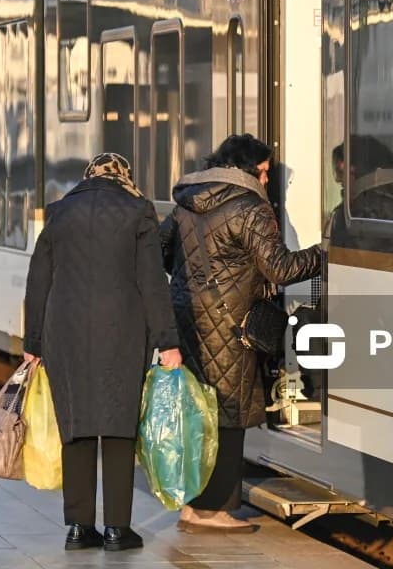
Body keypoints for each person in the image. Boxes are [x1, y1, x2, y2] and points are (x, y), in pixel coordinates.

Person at [160, 134, 324, 532]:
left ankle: (191, 504)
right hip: (231, 326)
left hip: (187, 320)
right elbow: (281, 269)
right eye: (265, 172)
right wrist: (327, 251)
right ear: (247, 168)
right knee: (228, 418)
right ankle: (212, 510)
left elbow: (163, 254)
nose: (268, 181)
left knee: (200, 414)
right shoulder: (250, 207)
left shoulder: (185, 204)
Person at [22, 153, 182, 552]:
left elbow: (38, 279)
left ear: (88, 177)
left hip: (66, 331)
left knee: (74, 426)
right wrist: (168, 341)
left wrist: (33, 343)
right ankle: (116, 529)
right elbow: (151, 281)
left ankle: (78, 528)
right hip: (121, 331)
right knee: (117, 425)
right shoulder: (138, 211)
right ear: (124, 178)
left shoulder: (60, 212)